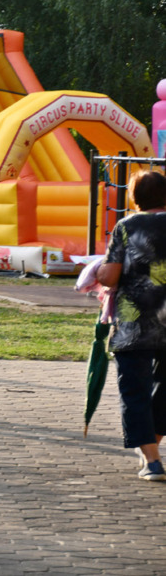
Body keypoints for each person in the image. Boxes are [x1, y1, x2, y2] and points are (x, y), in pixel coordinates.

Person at [96, 169, 166, 481]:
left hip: (134, 322)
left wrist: (98, 272)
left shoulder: (127, 226)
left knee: (135, 391)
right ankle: (151, 448)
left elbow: (110, 276)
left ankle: (152, 461)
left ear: (134, 197)